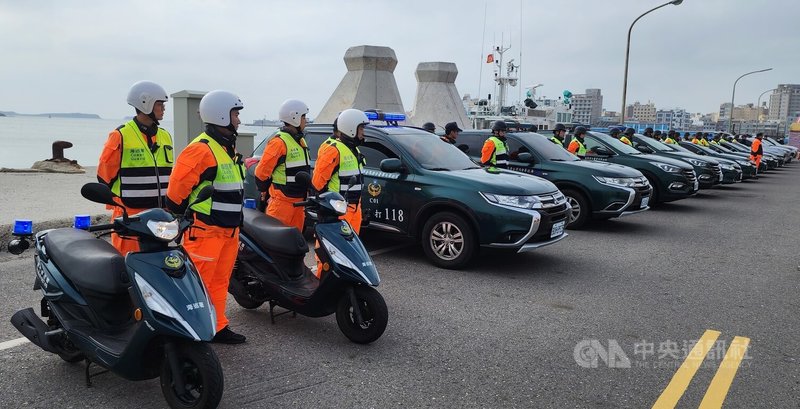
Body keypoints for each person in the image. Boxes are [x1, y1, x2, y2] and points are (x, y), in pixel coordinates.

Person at [165, 90, 246, 344]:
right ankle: (190, 333)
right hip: (205, 231)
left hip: (228, 231)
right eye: (235, 115)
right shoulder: (201, 150)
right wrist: (182, 218)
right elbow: (176, 194)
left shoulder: (226, 148)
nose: (238, 120)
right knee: (197, 284)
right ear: (221, 115)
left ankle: (217, 326)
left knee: (220, 282)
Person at [97, 80, 172, 256]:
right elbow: (104, 176)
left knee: (160, 263)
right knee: (128, 264)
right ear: (145, 104)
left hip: (160, 216)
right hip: (130, 216)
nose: (163, 108)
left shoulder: (166, 136)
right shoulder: (121, 135)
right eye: (160, 104)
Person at [311, 109, 370, 277]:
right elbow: (318, 183)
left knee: (350, 254)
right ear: (351, 128)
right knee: (329, 253)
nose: (363, 132)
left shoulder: (354, 151)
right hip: (337, 212)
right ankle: (322, 285)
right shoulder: (334, 150)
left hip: (353, 210)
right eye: (361, 129)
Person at [254, 99, 311, 232]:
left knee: (295, 247)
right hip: (282, 205)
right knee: (276, 247)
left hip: (299, 204)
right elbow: (261, 173)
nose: (306, 120)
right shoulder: (278, 142)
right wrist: (265, 191)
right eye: (303, 117)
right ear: (294, 117)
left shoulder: (300, 140)